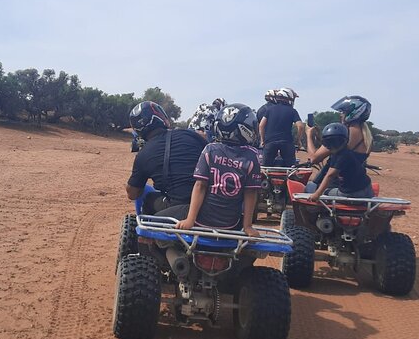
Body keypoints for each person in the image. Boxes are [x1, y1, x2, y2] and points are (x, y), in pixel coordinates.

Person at [175, 103, 263, 237]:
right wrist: (248, 226)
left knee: (156, 218)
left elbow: (200, 186)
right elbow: (250, 193)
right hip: (230, 224)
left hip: (201, 220)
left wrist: (190, 220)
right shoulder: (253, 156)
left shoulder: (210, 150)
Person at [126, 101, 207, 214]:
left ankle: (147, 230)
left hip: (178, 208)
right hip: (209, 203)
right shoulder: (190, 135)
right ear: (160, 117)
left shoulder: (143, 154)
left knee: (149, 200)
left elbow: (133, 194)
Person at [306, 95, 373, 190]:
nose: (341, 114)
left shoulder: (345, 133)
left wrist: (308, 135)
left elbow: (314, 158)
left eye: (343, 112)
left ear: (353, 113)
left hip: (336, 185)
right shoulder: (367, 136)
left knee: (307, 189)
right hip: (357, 184)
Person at [309, 122, 374, 201]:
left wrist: (317, 194)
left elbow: (330, 175)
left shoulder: (341, 155)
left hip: (352, 193)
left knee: (325, 192)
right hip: (368, 190)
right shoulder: (348, 152)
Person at [259, 87, 304, 166]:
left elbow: (261, 125)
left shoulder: (270, 109)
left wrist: (263, 140)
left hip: (270, 142)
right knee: (291, 168)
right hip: (287, 142)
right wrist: (298, 140)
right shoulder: (292, 111)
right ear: (288, 98)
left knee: (265, 167)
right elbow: (300, 126)